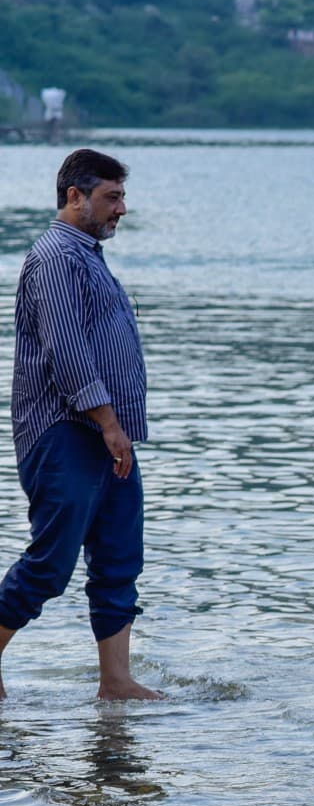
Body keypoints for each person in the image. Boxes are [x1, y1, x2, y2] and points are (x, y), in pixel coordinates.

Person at [0, 149, 161, 701]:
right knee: (51, 562)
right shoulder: (54, 258)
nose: (122, 208)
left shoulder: (88, 255)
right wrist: (109, 424)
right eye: (111, 197)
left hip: (106, 434)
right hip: (66, 432)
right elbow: (66, 350)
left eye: (121, 196)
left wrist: (116, 430)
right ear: (75, 196)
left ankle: (116, 682)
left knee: (119, 558)